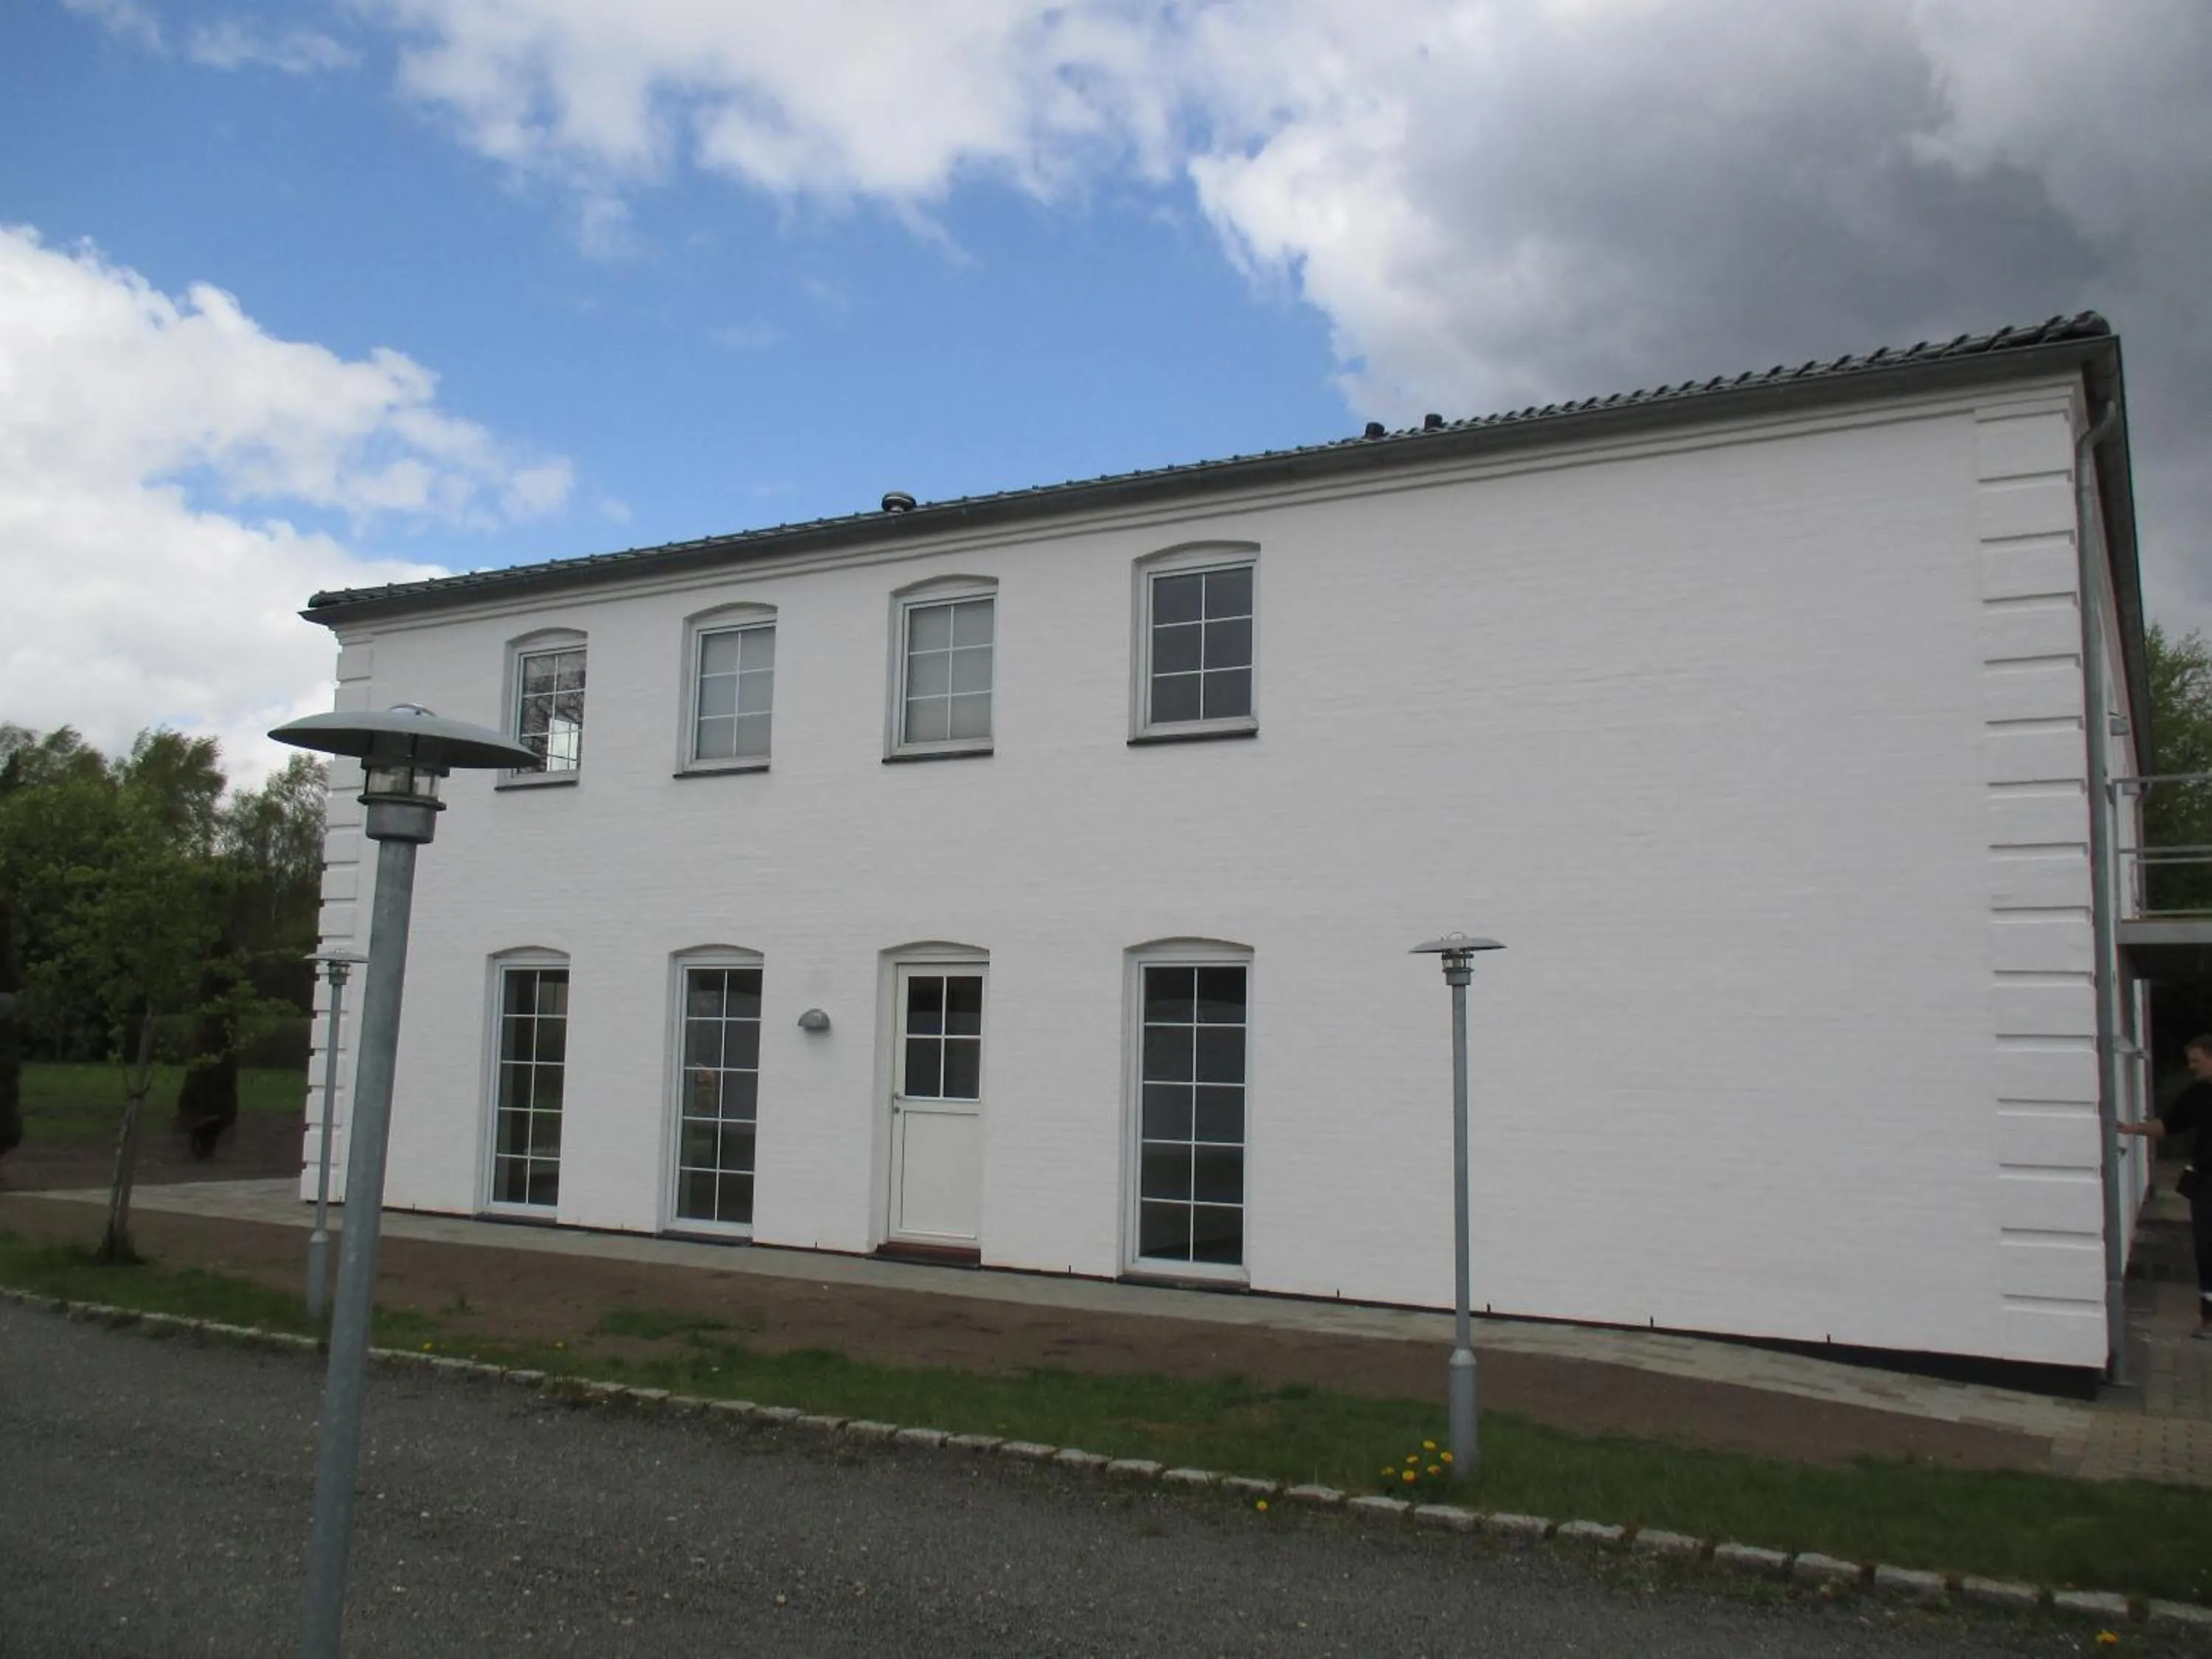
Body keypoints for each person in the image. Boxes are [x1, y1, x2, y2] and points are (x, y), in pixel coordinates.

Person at [2118, 1034, 2212, 1339]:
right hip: (2207, 1182)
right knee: (2206, 1248)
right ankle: (2208, 1319)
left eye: (2196, 1061)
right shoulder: (2197, 1094)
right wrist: (2131, 1129)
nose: (2191, 1067)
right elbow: (2168, 1125)